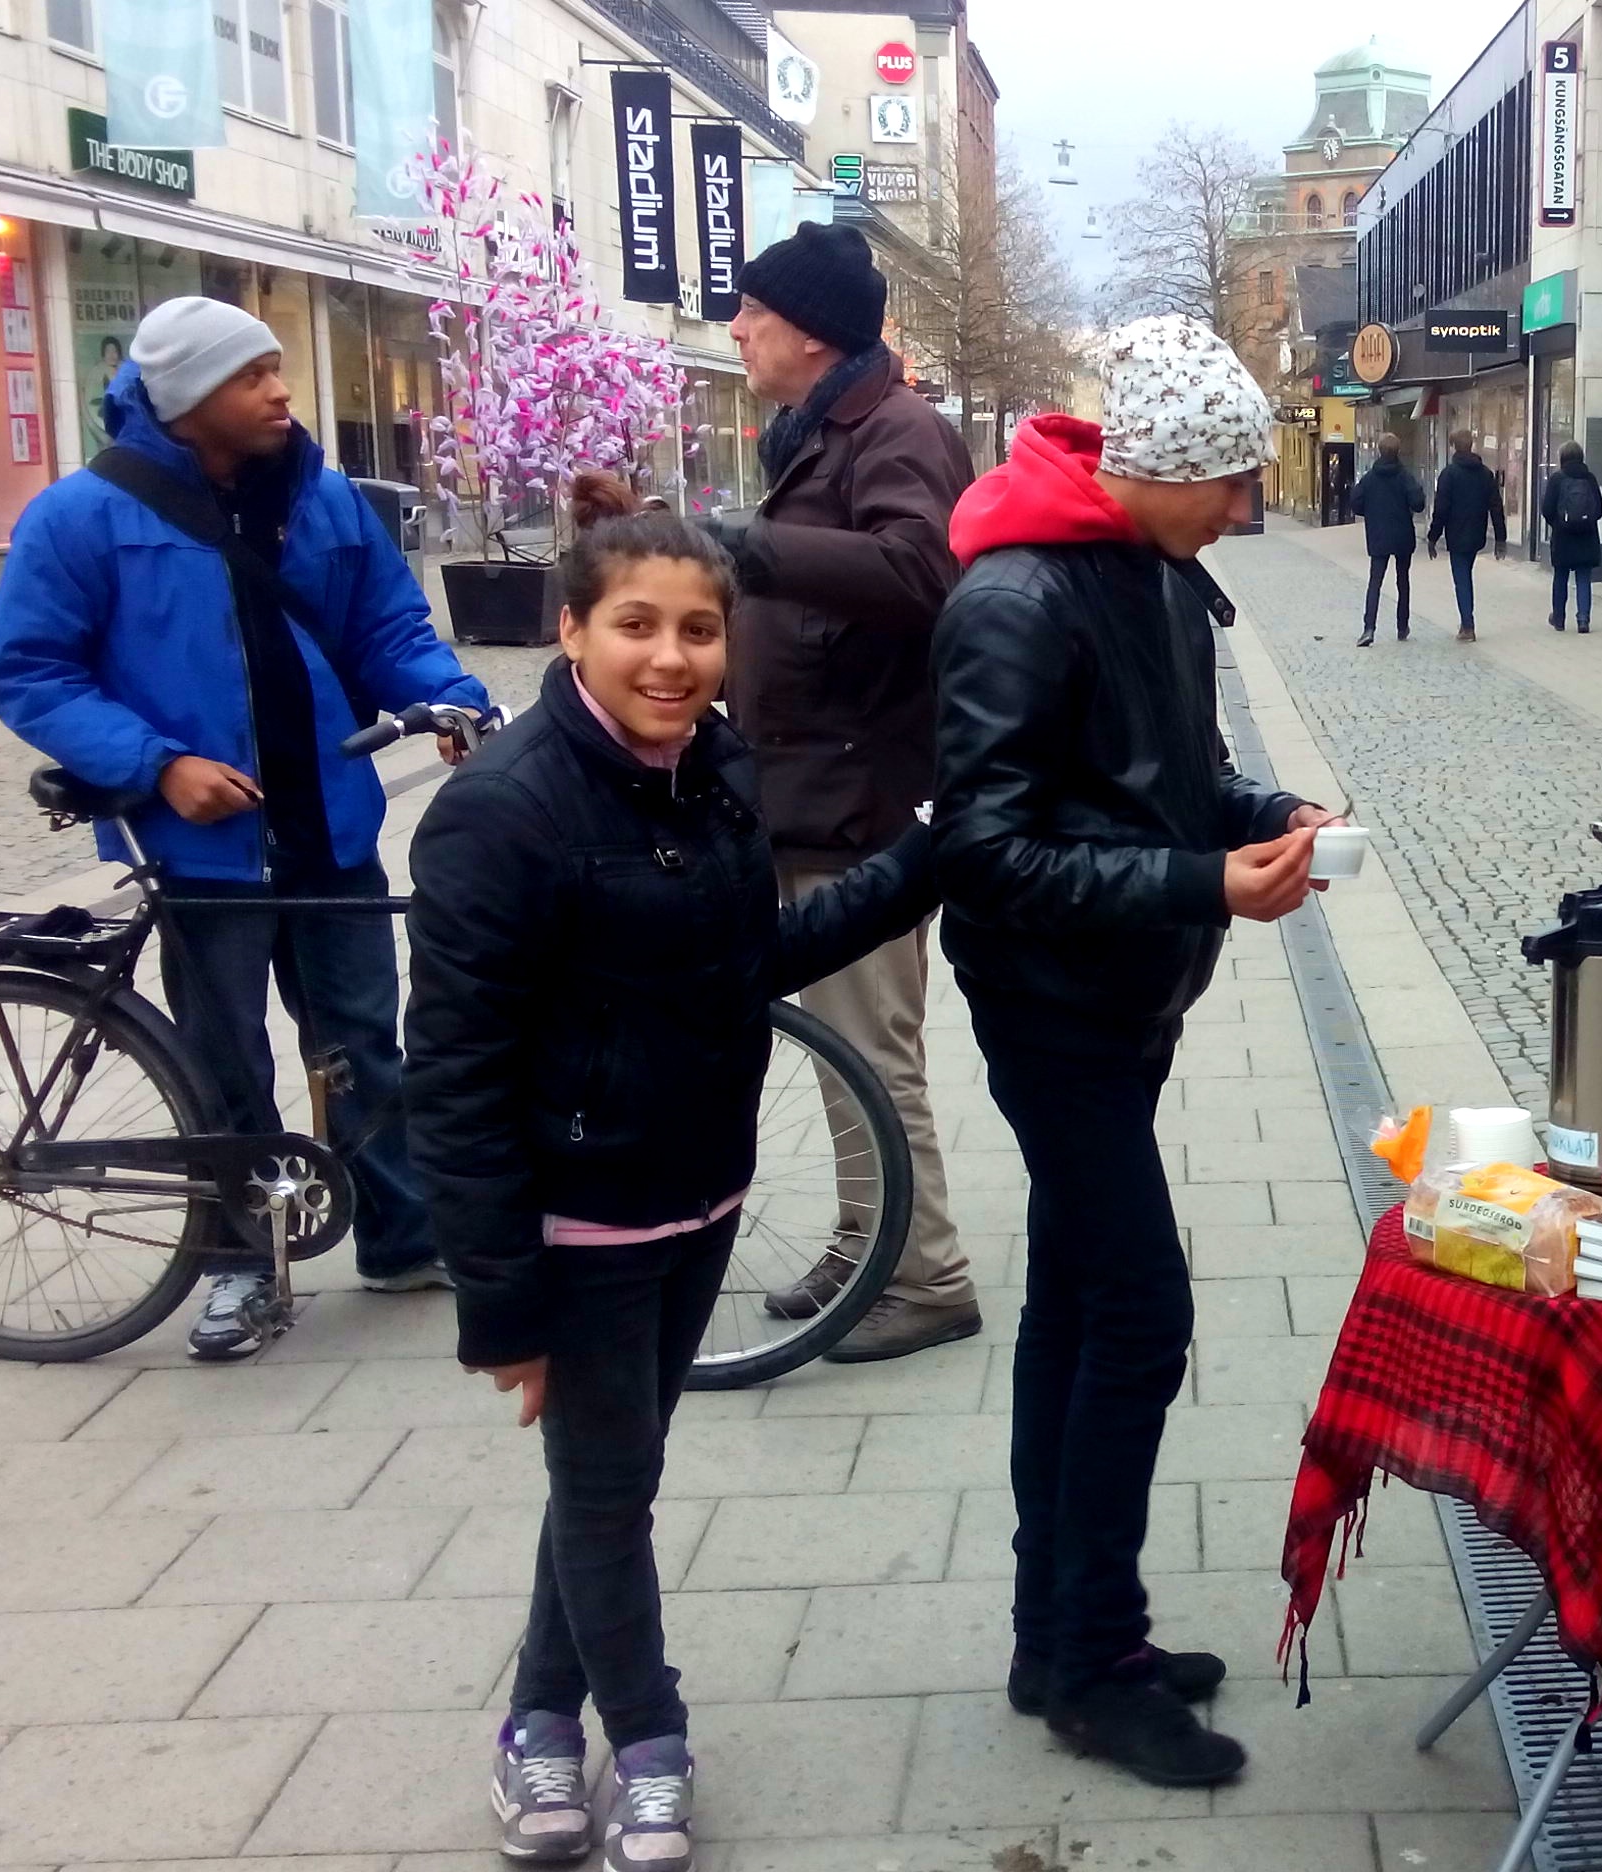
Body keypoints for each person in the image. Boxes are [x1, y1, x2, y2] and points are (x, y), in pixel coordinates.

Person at [406, 472, 941, 1872]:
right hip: (578, 1218)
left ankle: (537, 1717)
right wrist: (499, 1303)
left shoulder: (712, 771)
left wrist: (931, 853)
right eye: (636, 625)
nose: (671, 658)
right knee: (607, 1493)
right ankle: (647, 1736)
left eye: (699, 630)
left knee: (612, 1475)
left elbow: (751, 963)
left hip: (697, 1196)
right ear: (572, 630)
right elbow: (451, 1075)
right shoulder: (502, 811)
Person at [932, 316, 1338, 1786]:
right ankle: (1095, 1665)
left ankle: (1057, 1634)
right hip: (1050, 1003)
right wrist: (1198, 882)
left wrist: (1265, 815)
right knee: (1142, 1313)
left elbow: (1175, 775)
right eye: (1227, 480)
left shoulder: (1157, 578)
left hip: (1124, 997)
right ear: (1154, 466)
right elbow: (985, 852)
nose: (1242, 506)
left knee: (1078, 1303)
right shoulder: (1016, 598)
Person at [0, 296, 488, 1359]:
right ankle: (238, 1265)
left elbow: (387, 625)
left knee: (364, 1042)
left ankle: (402, 1237)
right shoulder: (82, 517)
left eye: (275, 367)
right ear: (185, 397)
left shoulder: (322, 498)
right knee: (224, 1061)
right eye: (251, 375)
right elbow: (28, 669)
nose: (280, 390)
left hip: (329, 823)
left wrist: (450, 698)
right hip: (200, 843)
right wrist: (156, 765)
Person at [709, 220, 982, 1364]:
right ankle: (869, 1242)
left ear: (811, 332)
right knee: (840, 1050)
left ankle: (925, 1280)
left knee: (870, 1052)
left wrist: (746, 550)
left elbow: (924, 566)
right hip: (807, 792)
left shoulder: (898, 429)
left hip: (860, 801)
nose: (736, 330)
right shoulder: (822, 429)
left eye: (752, 313)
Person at [1427, 430, 1506, 643]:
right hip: (1477, 532)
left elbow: (1441, 509)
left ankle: (1468, 625)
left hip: (1456, 533)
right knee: (1465, 575)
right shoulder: (1485, 474)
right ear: (1471, 445)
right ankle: (1466, 622)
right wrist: (1500, 537)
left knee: (1461, 579)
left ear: (1453, 446)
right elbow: (1496, 506)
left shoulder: (1449, 474)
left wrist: (1433, 536)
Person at [1350, 432, 1422, 646]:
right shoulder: (1405, 476)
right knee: (1403, 581)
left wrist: (1371, 512)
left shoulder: (1370, 478)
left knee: (1375, 582)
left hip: (1378, 534)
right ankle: (1402, 626)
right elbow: (1418, 503)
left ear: (1379, 451)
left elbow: (1356, 502)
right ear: (1398, 451)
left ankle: (1369, 628)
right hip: (1402, 535)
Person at [1540, 443, 1602, 633]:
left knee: (1561, 577)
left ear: (1562, 458)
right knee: (1583, 578)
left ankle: (1559, 619)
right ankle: (1583, 620)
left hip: (1563, 537)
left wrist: (1558, 524)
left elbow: (1547, 509)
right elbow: (1599, 510)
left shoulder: (1557, 479)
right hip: (1587, 536)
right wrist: (1586, 521)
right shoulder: (1590, 478)